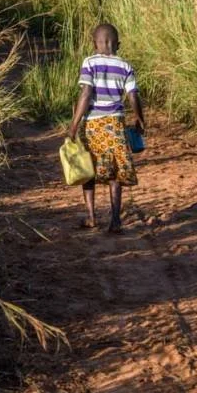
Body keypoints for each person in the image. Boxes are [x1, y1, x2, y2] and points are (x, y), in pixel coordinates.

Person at [67, 23, 145, 234]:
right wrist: (139, 118)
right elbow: (133, 95)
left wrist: (74, 125)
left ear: (95, 43)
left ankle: (92, 217)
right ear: (118, 44)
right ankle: (115, 221)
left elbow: (85, 93)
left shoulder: (89, 62)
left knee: (88, 170)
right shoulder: (126, 66)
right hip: (116, 124)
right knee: (115, 173)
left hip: (92, 123)